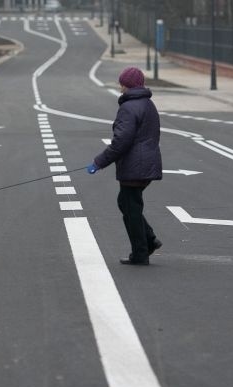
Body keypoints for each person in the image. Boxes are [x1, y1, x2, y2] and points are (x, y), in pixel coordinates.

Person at [87, 67, 163, 266]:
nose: (120, 87)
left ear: (126, 85)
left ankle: (141, 253)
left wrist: (99, 162)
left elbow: (121, 141)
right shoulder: (148, 104)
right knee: (128, 203)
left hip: (135, 165)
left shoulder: (128, 108)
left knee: (131, 207)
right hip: (147, 163)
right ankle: (149, 240)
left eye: (121, 83)